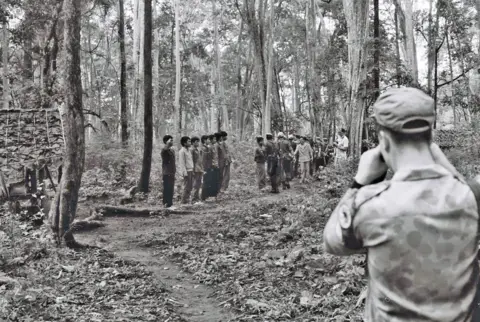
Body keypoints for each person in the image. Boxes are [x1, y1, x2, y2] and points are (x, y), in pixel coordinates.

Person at [323, 87, 479, 321]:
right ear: (431, 137)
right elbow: (470, 191)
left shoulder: (368, 204)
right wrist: (448, 170)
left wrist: (359, 182)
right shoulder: (471, 196)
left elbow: (332, 242)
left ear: (384, 140)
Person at [161, 135, 175, 208]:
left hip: (172, 172)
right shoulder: (164, 150)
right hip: (167, 172)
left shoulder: (171, 150)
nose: (172, 141)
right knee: (167, 188)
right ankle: (166, 204)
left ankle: (170, 204)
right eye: (170, 140)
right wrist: (167, 144)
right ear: (166, 141)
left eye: (172, 140)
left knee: (171, 188)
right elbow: (165, 160)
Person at [178, 136, 194, 204]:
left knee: (190, 186)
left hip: (191, 170)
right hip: (186, 171)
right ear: (184, 143)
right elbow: (182, 163)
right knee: (186, 186)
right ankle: (183, 202)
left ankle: (187, 200)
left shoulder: (189, 150)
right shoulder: (182, 151)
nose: (190, 143)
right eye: (189, 141)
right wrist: (184, 173)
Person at [191, 136, 203, 204]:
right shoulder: (192, 150)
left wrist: (202, 168)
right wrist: (192, 170)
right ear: (193, 143)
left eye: (198, 141)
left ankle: (197, 198)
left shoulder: (197, 149)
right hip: (195, 169)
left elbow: (200, 160)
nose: (198, 143)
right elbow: (192, 160)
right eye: (196, 142)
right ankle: (193, 199)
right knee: (195, 184)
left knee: (199, 184)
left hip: (199, 168)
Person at [201, 135, 213, 201]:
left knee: (208, 182)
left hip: (208, 167)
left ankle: (206, 196)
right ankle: (203, 197)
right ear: (204, 140)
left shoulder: (207, 147)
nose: (209, 141)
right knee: (205, 182)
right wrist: (204, 169)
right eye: (208, 139)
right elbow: (203, 159)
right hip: (205, 167)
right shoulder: (203, 148)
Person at [210, 134, 220, 198]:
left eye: (215, 139)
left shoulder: (214, 146)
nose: (215, 140)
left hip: (216, 164)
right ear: (211, 140)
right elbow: (210, 157)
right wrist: (213, 164)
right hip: (212, 166)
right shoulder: (210, 147)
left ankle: (215, 194)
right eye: (214, 139)